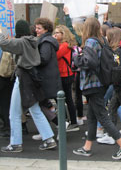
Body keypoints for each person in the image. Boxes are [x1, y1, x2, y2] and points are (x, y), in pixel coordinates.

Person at [72, 17, 121, 160]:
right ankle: (87, 147)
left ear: (86, 29)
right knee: (92, 117)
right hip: (101, 83)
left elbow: (89, 63)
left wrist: (76, 56)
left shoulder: (91, 42)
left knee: (103, 117)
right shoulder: (102, 41)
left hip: (92, 84)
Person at [0, 20, 56, 152]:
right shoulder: (33, 41)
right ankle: (49, 139)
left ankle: (15, 143)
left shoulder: (22, 42)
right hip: (32, 77)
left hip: (23, 78)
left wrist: (1, 32)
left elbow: (3, 44)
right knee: (34, 109)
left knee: (14, 112)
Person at [53, 25, 79, 131]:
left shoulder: (64, 45)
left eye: (57, 33)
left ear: (63, 34)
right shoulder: (64, 45)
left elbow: (55, 55)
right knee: (67, 99)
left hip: (65, 75)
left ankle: (71, 122)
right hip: (64, 74)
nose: (54, 35)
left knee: (66, 99)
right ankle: (71, 121)